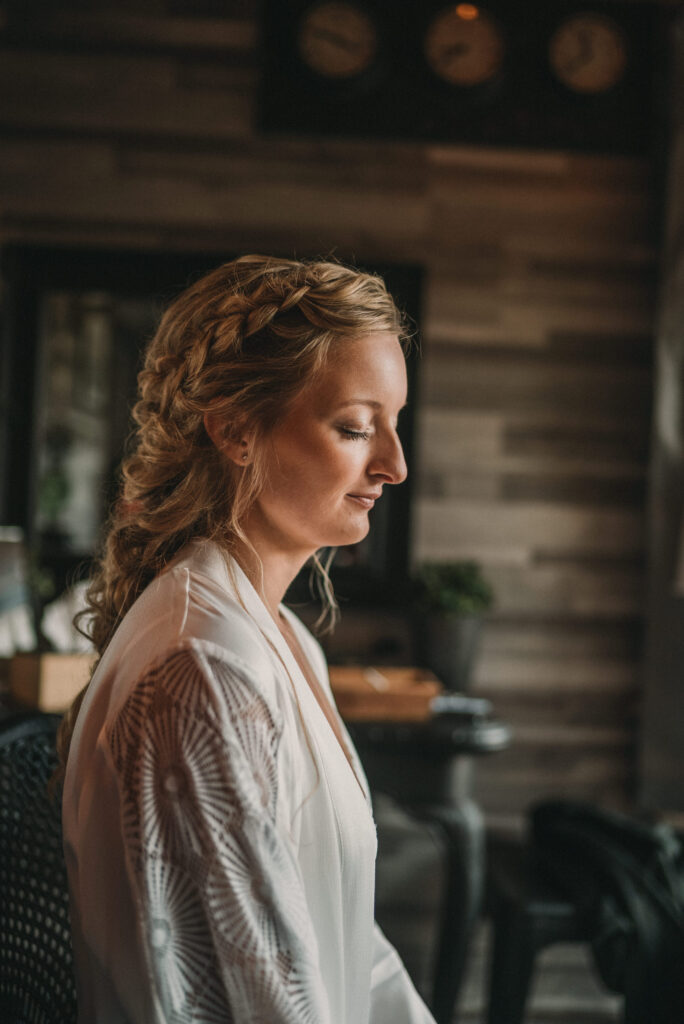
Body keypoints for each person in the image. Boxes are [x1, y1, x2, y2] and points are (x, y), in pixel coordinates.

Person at [58, 254, 437, 1024]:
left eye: (393, 425)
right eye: (355, 427)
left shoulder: (285, 637)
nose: (394, 465)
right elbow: (269, 1001)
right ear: (235, 429)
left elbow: (350, 949)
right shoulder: (202, 669)